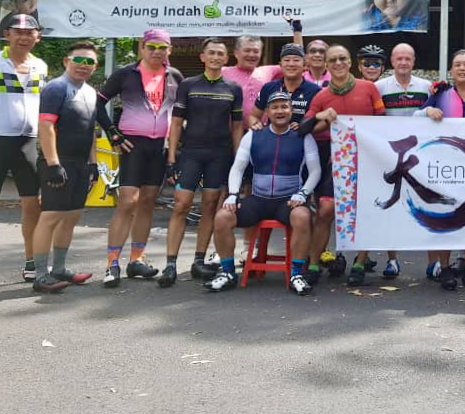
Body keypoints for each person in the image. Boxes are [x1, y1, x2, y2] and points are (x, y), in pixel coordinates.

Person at [206, 92, 321, 294]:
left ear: (291, 110)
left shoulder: (303, 136)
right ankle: (228, 272)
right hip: (258, 200)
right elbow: (237, 168)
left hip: (289, 200)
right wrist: (233, 194)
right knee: (222, 217)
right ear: (267, 111)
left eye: (284, 107)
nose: (280, 111)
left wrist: (303, 194)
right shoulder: (253, 135)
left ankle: (296, 274)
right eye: (275, 107)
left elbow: (315, 171)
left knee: (303, 217)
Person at [96, 29, 183, 287]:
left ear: (169, 50)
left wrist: (177, 147)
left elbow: (182, 112)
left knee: (147, 201)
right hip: (132, 144)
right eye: (151, 47)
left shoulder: (175, 76)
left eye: (162, 47)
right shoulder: (125, 73)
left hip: (159, 146)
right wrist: (113, 134)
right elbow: (97, 103)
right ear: (142, 48)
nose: (157, 52)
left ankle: (137, 259)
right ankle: (112, 263)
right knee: (127, 201)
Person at [0, 14, 47, 292]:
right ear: (7, 35)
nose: (24, 36)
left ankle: (32, 262)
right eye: (18, 31)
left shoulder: (40, 65)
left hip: (28, 142)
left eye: (30, 32)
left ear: (38, 37)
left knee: (32, 204)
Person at [158, 38, 244, 288]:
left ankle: (198, 261)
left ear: (226, 59)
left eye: (220, 54)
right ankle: (170, 264)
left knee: (210, 206)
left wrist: (238, 161)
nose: (216, 57)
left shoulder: (233, 88)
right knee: (181, 205)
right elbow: (176, 123)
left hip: (220, 154)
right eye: (211, 53)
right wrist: (171, 158)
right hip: (191, 153)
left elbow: (237, 127)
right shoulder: (188, 85)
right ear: (203, 57)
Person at [305, 45, 386, 287]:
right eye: (333, 60)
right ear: (326, 65)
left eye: (342, 58)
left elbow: (383, 123)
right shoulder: (321, 96)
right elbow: (305, 128)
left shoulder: (369, 88)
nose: (338, 63)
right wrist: (320, 117)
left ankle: (360, 263)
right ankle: (313, 264)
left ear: (350, 62)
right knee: (325, 210)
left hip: (369, 160)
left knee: (366, 211)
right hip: (339, 162)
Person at [416, 49, 465, 291]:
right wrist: (427, 111)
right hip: (444, 167)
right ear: (451, 70)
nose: (462, 68)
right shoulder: (440, 94)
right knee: (444, 216)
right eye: (458, 64)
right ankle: (445, 269)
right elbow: (415, 117)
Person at [31, 42, 100, 293]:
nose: (83, 65)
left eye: (89, 61)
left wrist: (93, 163)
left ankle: (59, 269)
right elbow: (45, 126)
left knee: (71, 217)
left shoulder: (91, 92)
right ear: (66, 61)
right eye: (78, 60)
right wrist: (53, 163)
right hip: (58, 162)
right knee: (50, 217)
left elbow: (90, 130)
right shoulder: (56, 88)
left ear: (95, 66)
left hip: (81, 164)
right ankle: (40, 275)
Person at [374, 43, 431, 279]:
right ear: (392, 61)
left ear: (414, 61)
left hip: (421, 154)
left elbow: (436, 112)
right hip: (390, 155)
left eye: (408, 58)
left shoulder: (426, 87)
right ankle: (392, 260)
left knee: (428, 204)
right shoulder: (379, 87)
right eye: (399, 58)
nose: (404, 62)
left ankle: (434, 263)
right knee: (392, 206)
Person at [222, 18, 302, 130]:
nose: (251, 54)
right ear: (236, 53)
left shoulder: (268, 71)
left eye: (256, 51)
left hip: (263, 131)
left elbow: (296, 60)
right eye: (247, 50)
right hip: (232, 132)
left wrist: (297, 31)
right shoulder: (223, 72)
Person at [252, 44, 321, 128]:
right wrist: (256, 126)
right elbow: (254, 116)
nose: (291, 64)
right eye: (287, 60)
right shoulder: (268, 87)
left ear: (304, 65)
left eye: (296, 60)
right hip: (272, 135)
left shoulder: (315, 91)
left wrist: (304, 128)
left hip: (303, 136)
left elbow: (322, 122)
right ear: (280, 65)